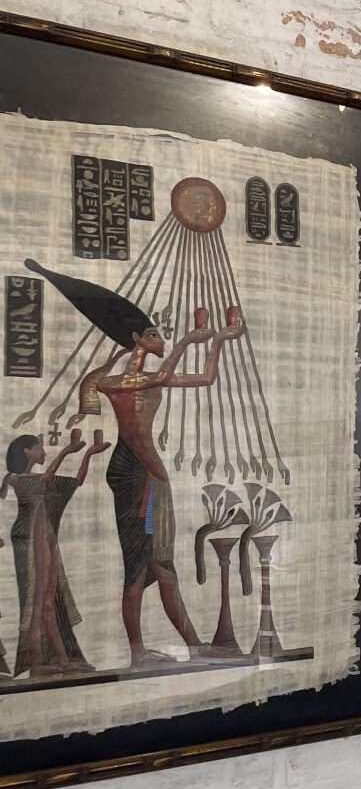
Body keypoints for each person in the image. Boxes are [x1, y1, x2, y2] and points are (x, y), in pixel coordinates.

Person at [27, 260, 246, 667]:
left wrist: (218, 341)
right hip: (136, 473)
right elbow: (157, 378)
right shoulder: (115, 381)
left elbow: (205, 379)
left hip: (149, 474)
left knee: (161, 565)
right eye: (153, 334)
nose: (161, 339)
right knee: (139, 566)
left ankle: (192, 646)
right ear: (135, 340)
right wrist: (188, 340)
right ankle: (139, 652)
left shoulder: (139, 378)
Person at [3, 428, 109, 675]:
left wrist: (88, 455)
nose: (43, 452)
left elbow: (77, 481)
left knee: (49, 603)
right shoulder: (15, 478)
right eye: (38, 448)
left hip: (47, 538)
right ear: (26, 452)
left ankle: (63, 660)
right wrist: (66, 451)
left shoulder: (36, 479)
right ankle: (36, 663)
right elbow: (44, 480)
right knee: (37, 602)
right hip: (31, 538)